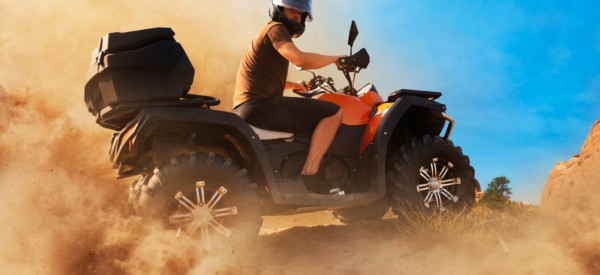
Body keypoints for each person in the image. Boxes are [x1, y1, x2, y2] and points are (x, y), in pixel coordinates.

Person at [232, 0, 344, 191]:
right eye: (292, 9)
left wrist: (296, 86)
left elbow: (264, 79)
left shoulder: (267, 34)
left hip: (251, 106)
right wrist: (337, 59)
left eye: (301, 13)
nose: (297, 15)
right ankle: (310, 175)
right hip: (259, 106)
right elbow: (300, 59)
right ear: (279, 9)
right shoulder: (276, 28)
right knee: (334, 112)